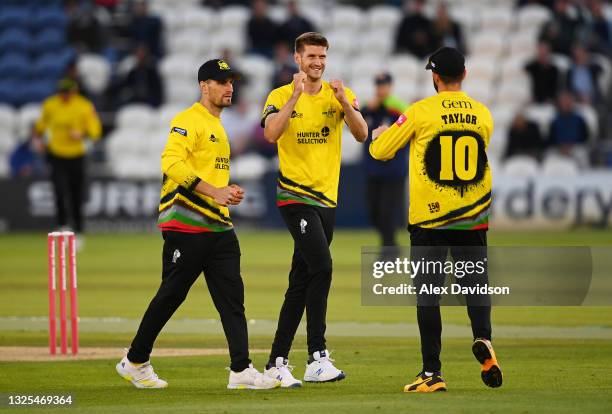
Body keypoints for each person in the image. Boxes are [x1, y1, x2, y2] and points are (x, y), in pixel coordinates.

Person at [115, 59, 280, 391]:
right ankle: (134, 361)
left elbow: (210, 176)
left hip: (219, 226)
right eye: (222, 82)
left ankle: (241, 369)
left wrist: (227, 192)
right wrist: (214, 191)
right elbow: (171, 162)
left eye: (232, 81)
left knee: (232, 298)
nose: (229, 87)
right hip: (186, 224)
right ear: (204, 86)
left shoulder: (219, 126)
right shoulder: (187, 120)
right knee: (171, 295)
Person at [370, 47, 502, 392]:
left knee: (428, 294)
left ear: (435, 77)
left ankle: (432, 372)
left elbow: (381, 153)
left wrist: (379, 135)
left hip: (430, 221)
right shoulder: (483, 113)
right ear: (465, 75)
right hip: (472, 217)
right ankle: (484, 340)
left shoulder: (420, 111)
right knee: (475, 286)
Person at [260, 32, 367, 387]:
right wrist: (292, 97)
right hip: (295, 195)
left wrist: (345, 104)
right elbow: (272, 135)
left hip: (326, 200)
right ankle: (316, 356)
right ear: (297, 59)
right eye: (311, 57)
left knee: (301, 280)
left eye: (322, 56)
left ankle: (277, 361)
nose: (317, 62)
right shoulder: (279, 95)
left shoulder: (339, 94)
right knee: (322, 266)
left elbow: (361, 134)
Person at [33, 78, 102, 238]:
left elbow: (95, 131)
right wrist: (37, 141)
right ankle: (62, 225)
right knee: (59, 191)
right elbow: (40, 127)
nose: (64, 95)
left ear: (74, 91)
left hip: (76, 155)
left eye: (67, 92)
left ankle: (78, 229)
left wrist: (81, 134)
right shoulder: (50, 104)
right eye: (62, 92)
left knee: (76, 193)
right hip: (56, 154)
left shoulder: (84, 106)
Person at [361, 72, 409, 250]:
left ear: (390, 87)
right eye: (378, 86)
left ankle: (388, 249)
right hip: (373, 169)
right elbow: (355, 122)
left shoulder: (398, 108)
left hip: (393, 170)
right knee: (373, 212)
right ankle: (392, 246)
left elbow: (410, 125)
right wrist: (367, 109)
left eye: (384, 85)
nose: (381, 89)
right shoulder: (370, 108)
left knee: (386, 212)